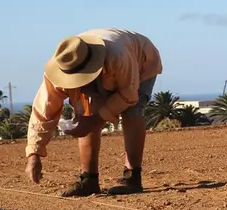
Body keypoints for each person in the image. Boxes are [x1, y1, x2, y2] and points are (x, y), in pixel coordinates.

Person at [24, 28, 163, 197]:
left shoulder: (118, 56)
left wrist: (95, 120)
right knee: (86, 115)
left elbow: (129, 95)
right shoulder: (59, 68)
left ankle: (133, 178)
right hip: (114, 67)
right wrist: (34, 154)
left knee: (132, 112)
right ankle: (88, 180)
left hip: (141, 63)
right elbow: (43, 112)